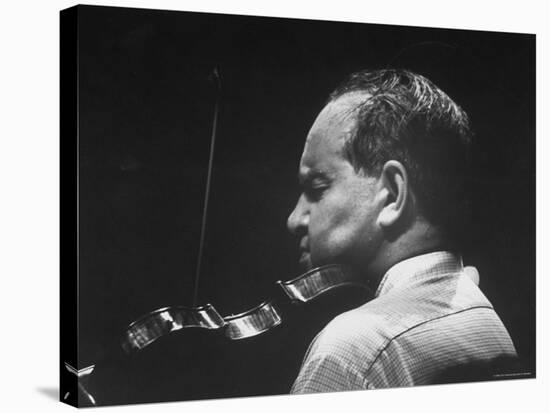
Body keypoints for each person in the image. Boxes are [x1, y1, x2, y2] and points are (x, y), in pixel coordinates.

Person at [286, 69, 517, 392]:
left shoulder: (351, 352)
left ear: (393, 195)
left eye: (317, 187)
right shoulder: (484, 316)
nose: (295, 218)